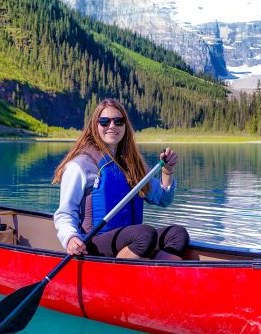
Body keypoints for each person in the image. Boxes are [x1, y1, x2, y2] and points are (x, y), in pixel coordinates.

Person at [53, 99, 189, 260]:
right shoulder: (81, 165)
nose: (112, 126)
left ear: (125, 126)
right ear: (95, 126)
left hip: (133, 239)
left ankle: (156, 276)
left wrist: (167, 171)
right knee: (145, 234)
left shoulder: (133, 165)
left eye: (119, 121)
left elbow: (163, 199)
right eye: (104, 122)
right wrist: (70, 238)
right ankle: (115, 276)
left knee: (177, 234)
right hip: (94, 245)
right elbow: (65, 213)